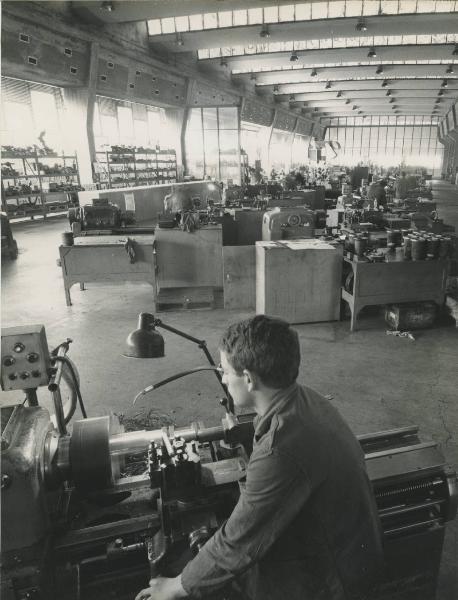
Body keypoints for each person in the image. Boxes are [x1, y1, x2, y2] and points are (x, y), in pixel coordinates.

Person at [136, 316, 383, 600]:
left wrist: (178, 585)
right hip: (350, 546)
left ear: (250, 379)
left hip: (334, 579)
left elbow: (237, 543)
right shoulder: (307, 398)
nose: (223, 378)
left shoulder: (281, 449)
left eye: (226, 371)